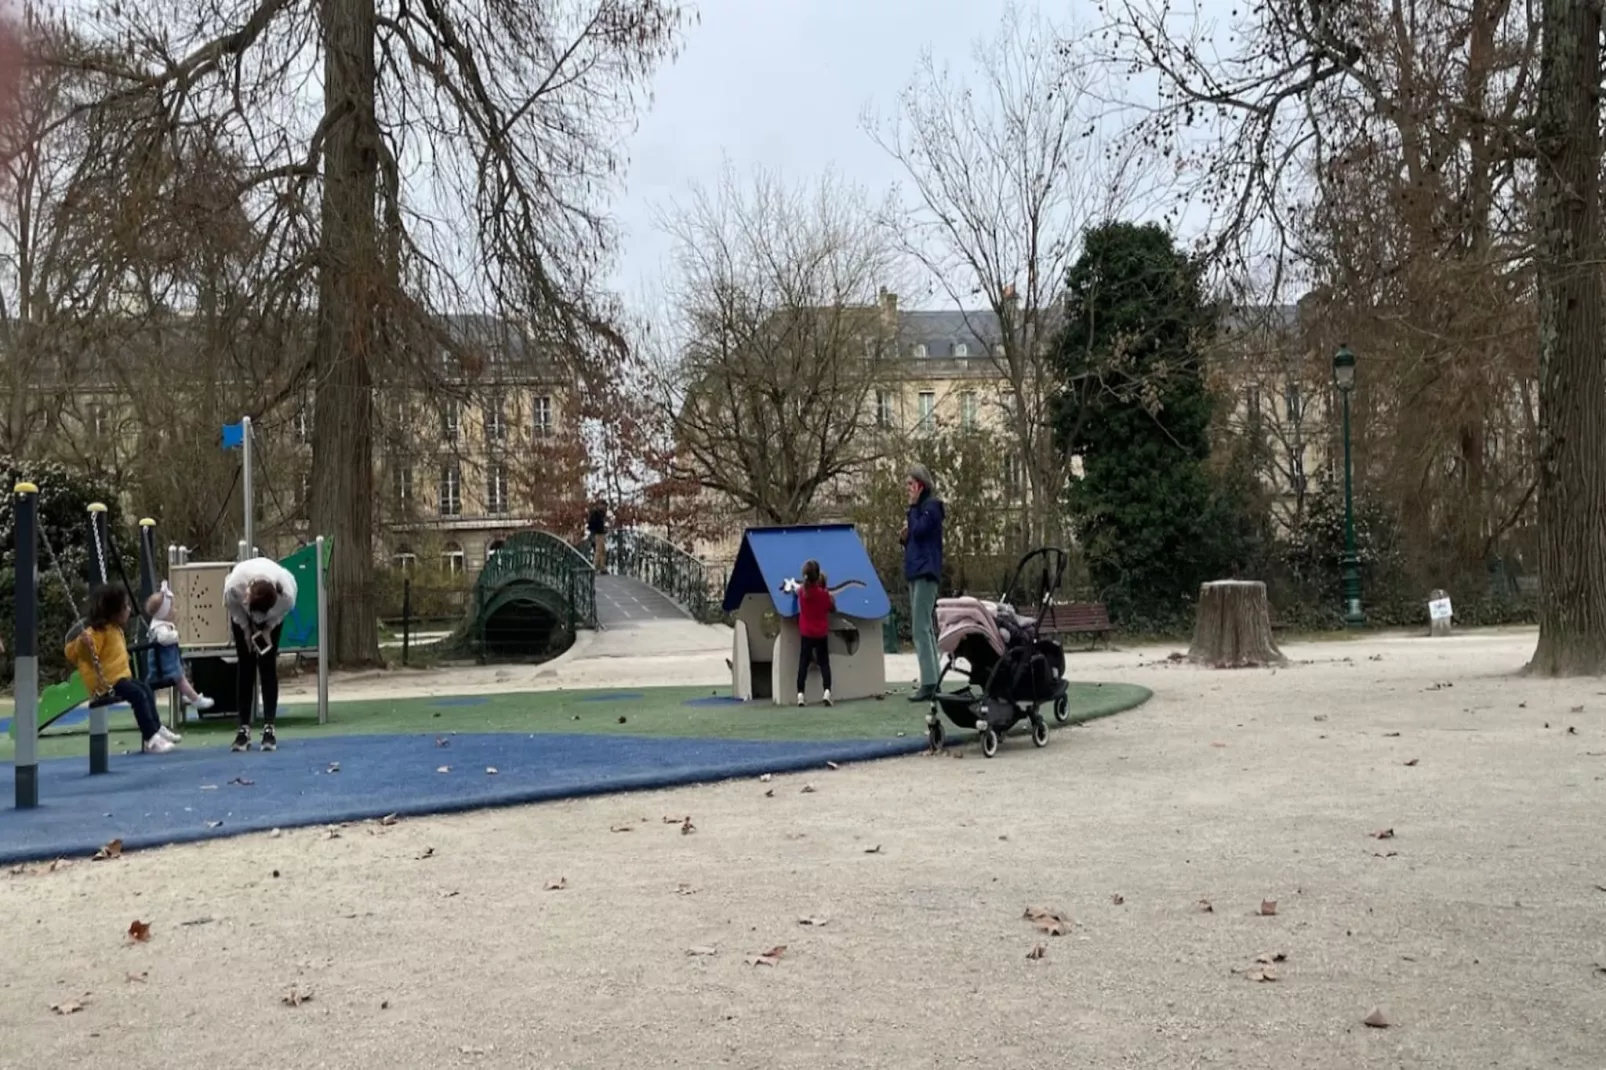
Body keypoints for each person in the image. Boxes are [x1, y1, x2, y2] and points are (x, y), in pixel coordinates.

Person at [64, 585, 181, 754]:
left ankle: (156, 728)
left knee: (145, 689)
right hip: (106, 683)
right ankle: (151, 738)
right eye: (125, 606)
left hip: (119, 678)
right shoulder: (96, 632)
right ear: (113, 612)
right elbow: (81, 654)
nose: (129, 609)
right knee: (138, 695)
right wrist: (84, 644)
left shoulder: (114, 629)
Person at [223, 556, 298, 752]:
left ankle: (269, 727)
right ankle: (243, 728)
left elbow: (282, 613)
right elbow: (232, 606)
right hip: (242, 613)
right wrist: (246, 628)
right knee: (245, 663)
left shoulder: (286, 596)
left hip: (271, 617)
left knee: (267, 663)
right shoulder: (235, 585)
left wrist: (268, 627)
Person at [900, 463, 946, 702]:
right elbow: (914, 537)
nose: (908, 489)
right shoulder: (920, 509)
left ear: (920, 484)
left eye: (910, 485)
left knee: (920, 627)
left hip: (926, 571)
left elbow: (920, 532)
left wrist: (913, 509)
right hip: (916, 570)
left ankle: (929, 682)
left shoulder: (930, 507)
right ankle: (933, 679)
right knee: (924, 626)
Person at [145, 582, 215, 714]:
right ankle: (195, 699)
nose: (175, 610)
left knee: (182, 675)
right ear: (164, 612)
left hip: (167, 664)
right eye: (172, 608)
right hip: (163, 668)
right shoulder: (160, 627)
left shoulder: (160, 624)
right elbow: (163, 639)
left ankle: (187, 695)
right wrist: (175, 635)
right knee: (180, 678)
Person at [795, 559, 834, 708]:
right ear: (818, 577)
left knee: (803, 663)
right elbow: (831, 607)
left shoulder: (801, 593)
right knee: (824, 663)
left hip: (806, 633)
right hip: (821, 634)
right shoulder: (824, 595)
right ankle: (827, 692)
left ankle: (800, 694)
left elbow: (798, 590)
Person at [587, 499, 608, 574]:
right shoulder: (596, 513)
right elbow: (594, 524)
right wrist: (599, 530)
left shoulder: (598, 513)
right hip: (598, 534)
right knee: (599, 550)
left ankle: (602, 566)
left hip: (599, 533)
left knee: (602, 550)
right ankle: (594, 567)